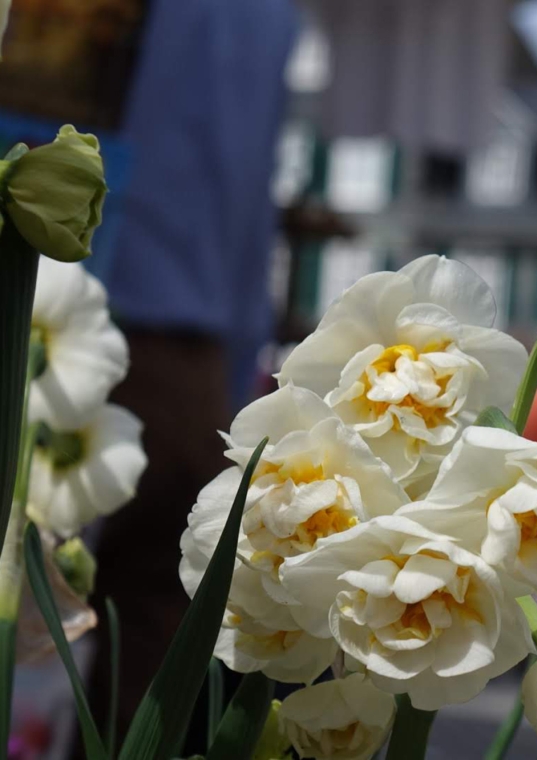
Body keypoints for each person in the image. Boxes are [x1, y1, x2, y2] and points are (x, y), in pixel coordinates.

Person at [78, 0, 298, 752]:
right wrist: (239, 372)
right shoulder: (268, 13)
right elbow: (251, 197)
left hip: (67, 297)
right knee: (149, 639)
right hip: (193, 341)